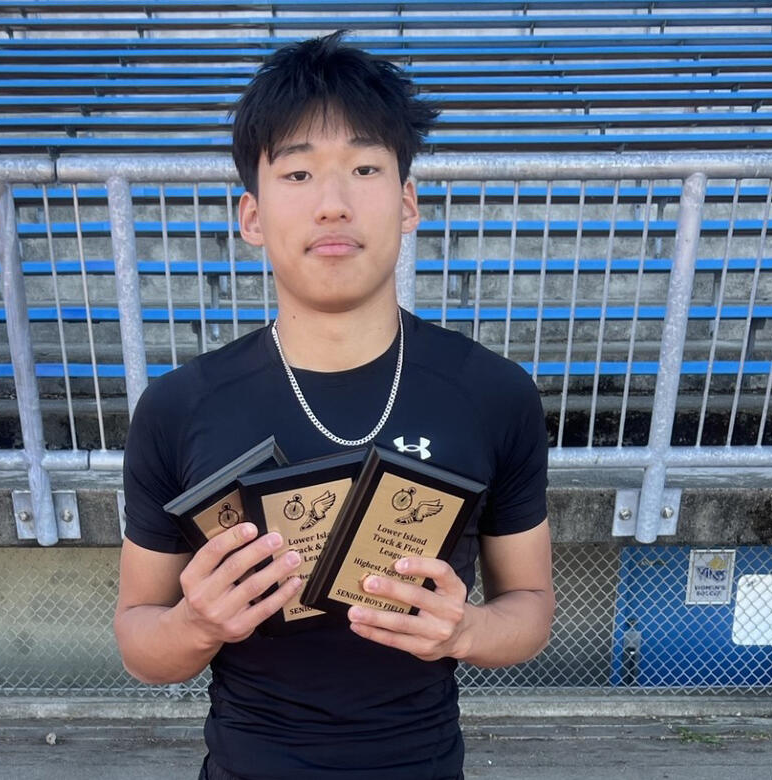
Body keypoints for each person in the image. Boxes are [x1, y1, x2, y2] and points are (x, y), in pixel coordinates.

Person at [116, 31, 554, 780]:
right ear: (250, 216)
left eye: (364, 167)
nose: (332, 203)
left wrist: (466, 630)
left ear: (407, 201)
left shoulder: (492, 393)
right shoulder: (179, 407)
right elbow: (138, 639)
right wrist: (196, 624)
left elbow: (532, 608)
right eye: (297, 173)